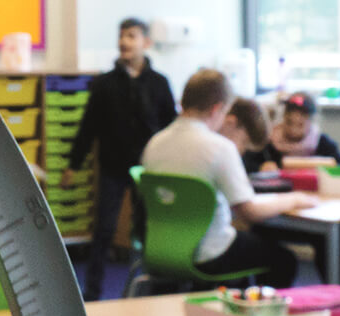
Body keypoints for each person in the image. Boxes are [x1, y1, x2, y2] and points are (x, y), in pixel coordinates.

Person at [140, 69, 318, 289]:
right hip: (210, 253)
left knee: (248, 248)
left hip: (161, 250)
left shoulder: (154, 144)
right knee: (284, 260)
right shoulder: (219, 147)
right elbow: (250, 212)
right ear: (217, 109)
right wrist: (293, 199)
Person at [63, 18, 178, 300]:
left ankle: (149, 286)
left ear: (146, 43)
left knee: (146, 229)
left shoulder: (159, 83)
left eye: (131, 35)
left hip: (148, 168)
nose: (124, 41)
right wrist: (73, 165)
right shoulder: (104, 84)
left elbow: (170, 126)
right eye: (121, 36)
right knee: (104, 230)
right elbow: (88, 126)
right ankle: (92, 291)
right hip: (113, 167)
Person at [257, 91, 340, 172]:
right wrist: (261, 167)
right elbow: (247, 164)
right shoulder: (268, 142)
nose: (293, 129)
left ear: (312, 120)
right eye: (289, 121)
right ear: (284, 116)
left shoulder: (321, 143)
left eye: (300, 123)